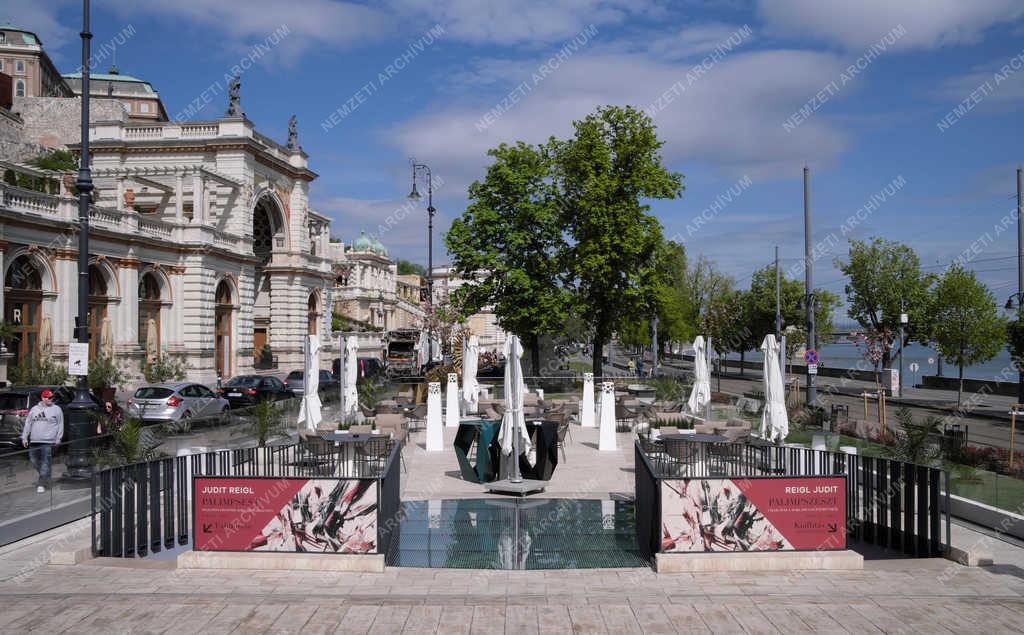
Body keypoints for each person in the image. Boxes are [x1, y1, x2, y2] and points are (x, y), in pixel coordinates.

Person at [21, 389, 64, 493]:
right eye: (48, 397)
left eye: (52, 397)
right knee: (34, 460)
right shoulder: (34, 409)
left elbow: (60, 424)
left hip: (48, 441)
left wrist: (58, 438)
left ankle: (41, 483)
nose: (51, 399)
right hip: (34, 440)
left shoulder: (57, 409)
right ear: (43, 398)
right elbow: (28, 423)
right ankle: (46, 477)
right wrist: (24, 437)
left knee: (45, 462)